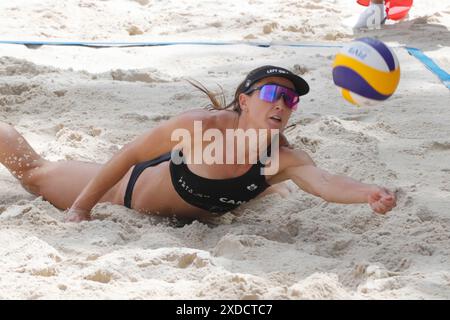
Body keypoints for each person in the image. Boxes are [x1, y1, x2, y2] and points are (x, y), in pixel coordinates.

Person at [0, 65, 397, 223]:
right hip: (129, 192)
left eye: (290, 99)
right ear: (243, 101)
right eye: (272, 92)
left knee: (274, 187)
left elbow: (325, 182)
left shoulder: (283, 158)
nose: (281, 103)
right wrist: (82, 208)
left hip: (196, 205)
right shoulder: (200, 126)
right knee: (32, 173)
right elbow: (128, 154)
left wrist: (369, 193)